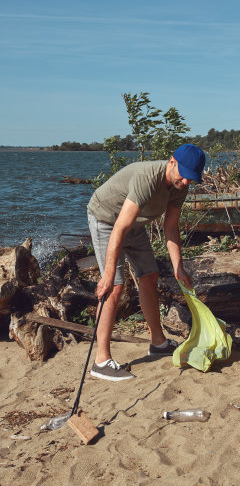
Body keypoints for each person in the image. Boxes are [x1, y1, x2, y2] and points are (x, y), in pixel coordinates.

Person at [86, 143, 206, 381]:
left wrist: (178, 268)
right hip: (106, 219)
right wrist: (108, 275)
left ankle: (158, 342)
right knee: (115, 286)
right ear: (172, 161)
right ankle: (101, 361)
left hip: (134, 224)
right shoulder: (147, 178)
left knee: (150, 276)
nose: (186, 183)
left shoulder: (180, 186)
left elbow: (170, 227)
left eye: (192, 179)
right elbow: (119, 228)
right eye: (184, 176)